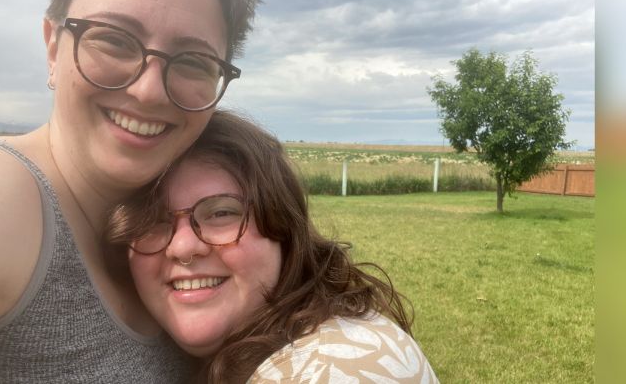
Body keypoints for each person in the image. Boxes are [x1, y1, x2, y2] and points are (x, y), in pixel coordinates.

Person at [0, 0, 258, 382]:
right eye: (114, 40)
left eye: (193, 61)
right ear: (53, 46)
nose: (148, 91)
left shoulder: (188, 220)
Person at [106, 110, 440, 383]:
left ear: (283, 228)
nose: (182, 247)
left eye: (221, 213)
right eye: (152, 220)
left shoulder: (332, 368)